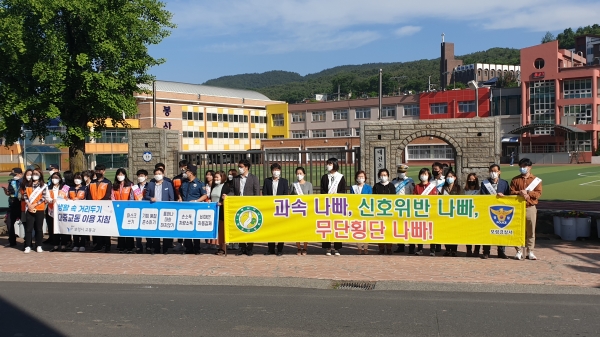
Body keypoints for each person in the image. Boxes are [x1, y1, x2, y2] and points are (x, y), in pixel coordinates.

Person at [510, 158, 542, 261]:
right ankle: (518, 250)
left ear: (530, 167)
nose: (523, 168)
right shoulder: (515, 180)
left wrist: (528, 192)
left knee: (531, 231)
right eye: (521, 166)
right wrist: (519, 192)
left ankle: (530, 251)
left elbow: (538, 193)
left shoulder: (536, 180)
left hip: (530, 207)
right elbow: (511, 192)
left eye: (525, 166)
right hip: (518, 208)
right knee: (518, 230)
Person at [229, 159, 260, 256]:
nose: (239, 168)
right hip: (239, 205)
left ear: (246, 167)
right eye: (239, 166)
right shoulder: (236, 179)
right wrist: (228, 196)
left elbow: (256, 192)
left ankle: (250, 247)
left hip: (250, 206)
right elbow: (232, 191)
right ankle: (242, 247)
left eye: (241, 167)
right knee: (240, 226)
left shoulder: (253, 178)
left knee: (249, 226)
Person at [480, 164, 510, 259]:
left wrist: (503, 197)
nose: (493, 173)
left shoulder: (504, 183)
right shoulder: (484, 183)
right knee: (487, 231)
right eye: (492, 171)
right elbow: (482, 196)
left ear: (499, 172)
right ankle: (486, 251)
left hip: (501, 211)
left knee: (500, 230)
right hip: (488, 210)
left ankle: (501, 251)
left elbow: (509, 197)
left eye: (495, 171)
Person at [144, 167, 175, 255]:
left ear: (163, 174)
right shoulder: (150, 184)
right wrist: (151, 198)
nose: (158, 175)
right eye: (156, 174)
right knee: (155, 230)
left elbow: (171, 198)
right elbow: (146, 196)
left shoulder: (168, 184)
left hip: (165, 210)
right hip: (154, 210)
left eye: (159, 173)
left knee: (165, 229)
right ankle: (156, 248)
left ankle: (165, 248)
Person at [320, 158, 346, 256]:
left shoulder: (340, 177)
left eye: (330, 164)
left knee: (336, 225)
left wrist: (337, 195)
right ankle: (327, 247)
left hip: (337, 204)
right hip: (327, 204)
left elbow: (343, 190)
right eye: (327, 164)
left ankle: (337, 247)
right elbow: (322, 190)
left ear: (335, 164)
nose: (328, 166)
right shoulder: (324, 177)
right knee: (327, 225)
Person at [180, 164, 208, 255]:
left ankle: (197, 248)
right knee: (186, 228)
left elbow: (204, 195)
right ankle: (188, 248)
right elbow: (180, 192)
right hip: (184, 209)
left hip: (195, 209)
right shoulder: (184, 182)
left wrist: (196, 201)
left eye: (187, 171)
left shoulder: (200, 183)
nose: (185, 173)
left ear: (191, 173)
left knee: (195, 229)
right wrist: (179, 198)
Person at [262, 163, 289, 256]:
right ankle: (271, 248)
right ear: (271, 171)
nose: (276, 172)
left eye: (277, 170)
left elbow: (286, 194)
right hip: (270, 208)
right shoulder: (267, 181)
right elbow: (264, 193)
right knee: (270, 229)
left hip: (281, 208)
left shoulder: (284, 181)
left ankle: (280, 249)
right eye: (274, 170)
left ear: (280, 171)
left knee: (281, 229)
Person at [411, 168, 438, 256]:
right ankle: (420, 249)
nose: (423, 176)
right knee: (420, 230)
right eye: (422, 174)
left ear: (429, 175)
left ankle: (432, 250)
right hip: (420, 212)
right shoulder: (417, 187)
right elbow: (414, 199)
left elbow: (435, 200)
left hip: (430, 212)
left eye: (425, 174)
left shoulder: (432, 187)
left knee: (431, 231)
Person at [87, 164, 112, 253]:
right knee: (96, 227)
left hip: (104, 208)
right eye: (97, 171)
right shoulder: (92, 183)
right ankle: (98, 244)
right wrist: (92, 203)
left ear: (104, 171)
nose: (99, 172)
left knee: (105, 227)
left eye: (101, 171)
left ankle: (107, 244)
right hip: (94, 208)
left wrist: (100, 203)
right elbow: (89, 194)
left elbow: (108, 194)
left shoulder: (108, 182)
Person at [23, 169, 49, 253]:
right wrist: (29, 204)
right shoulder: (27, 185)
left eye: (37, 174)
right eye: (33, 174)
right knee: (28, 228)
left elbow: (43, 197)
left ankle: (39, 245)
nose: (34, 175)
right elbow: (25, 196)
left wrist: (35, 204)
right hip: (29, 208)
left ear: (40, 175)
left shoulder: (43, 186)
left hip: (39, 209)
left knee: (38, 228)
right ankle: (27, 246)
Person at [392, 164, 414, 253]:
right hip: (397, 207)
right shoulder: (394, 181)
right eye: (400, 172)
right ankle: (400, 246)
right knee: (399, 227)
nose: (401, 173)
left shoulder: (410, 181)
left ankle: (411, 247)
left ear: (406, 172)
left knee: (409, 227)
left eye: (403, 172)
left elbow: (413, 193)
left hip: (407, 207)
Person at [112, 169, 135, 253]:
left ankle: (130, 246)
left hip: (128, 209)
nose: (120, 176)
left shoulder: (130, 184)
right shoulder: (114, 185)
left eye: (121, 174)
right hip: (118, 209)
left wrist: (129, 205)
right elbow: (112, 196)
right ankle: (121, 246)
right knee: (120, 228)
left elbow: (132, 196)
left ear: (125, 175)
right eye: (118, 174)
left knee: (128, 228)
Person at [290, 167, 312, 255]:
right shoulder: (293, 184)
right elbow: (290, 197)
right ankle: (298, 248)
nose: (299, 175)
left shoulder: (309, 185)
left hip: (306, 211)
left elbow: (311, 198)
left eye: (300, 173)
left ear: (304, 174)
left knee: (305, 230)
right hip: (296, 210)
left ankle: (305, 247)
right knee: (297, 230)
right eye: (297, 173)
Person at [373, 168, 395, 255]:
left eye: (385, 175)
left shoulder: (391, 186)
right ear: (379, 176)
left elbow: (394, 198)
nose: (383, 177)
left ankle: (389, 248)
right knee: (380, 230)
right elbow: (373, 198)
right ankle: (381, 248)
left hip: (389, 212)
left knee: (389, 230)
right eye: (381, 175)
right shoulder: (376, 186)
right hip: (379, 212)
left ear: (388, 176)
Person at [350, 170, 372, 255]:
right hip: (356, 210)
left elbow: (370, 199)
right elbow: (351, 199)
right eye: (359, 177)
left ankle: (366, 247)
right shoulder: (353, 187)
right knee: (358, 228)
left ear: (365, 178)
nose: (360, 178)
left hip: (366, 210)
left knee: (366, 229)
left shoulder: (368, 188)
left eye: (362, 177)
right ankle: (359, 247)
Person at [47, 172, 69, 252]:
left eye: (56, 177)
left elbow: (67, 197)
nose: (54, 179)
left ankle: (64, 245)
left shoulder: (65, 187)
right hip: (52, 210)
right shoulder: (48, 187)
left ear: (60, 178)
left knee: (62, 228)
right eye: (53, 178)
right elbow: (47, 198)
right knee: (54, 228)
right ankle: (55, 245)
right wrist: (51, 200)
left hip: (62, 211)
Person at [441, 171, 461, 257]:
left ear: (455, 177)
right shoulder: (443, 188)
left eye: (451, 176)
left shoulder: (458, 188)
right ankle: (447, 249)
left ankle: (454, 250)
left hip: (455, 213)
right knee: (446, 232)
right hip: (445, 212)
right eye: (448, 177)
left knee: (454, 232)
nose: (450, 178)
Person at [171, 160, 188, 253]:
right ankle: (179, 242)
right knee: (179, 223)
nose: (183, 168)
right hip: (178, 204)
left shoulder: (190, 178)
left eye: (184, 166)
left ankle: (188, 243)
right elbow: (173, 191)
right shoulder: (176, 178)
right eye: (181, 166)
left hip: (188, 204)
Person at [3, 168, 23, 248]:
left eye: (15, 175)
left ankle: (28, 242)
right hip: (12, 204)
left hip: (21, 205)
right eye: (13, 175)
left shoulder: (25, 182)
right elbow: (9, 193)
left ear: (20, 174)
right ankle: (12, 241)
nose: (14, 176)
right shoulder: (11, 181)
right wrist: (6, 192)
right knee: (9, 223)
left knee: (25, 223)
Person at [69, 172, 87, 252]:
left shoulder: (85, 188)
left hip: (82, 211)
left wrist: (80, 200)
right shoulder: (70, 188)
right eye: (75, 178)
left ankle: (82, 244)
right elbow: (64, 197)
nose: (77, 180)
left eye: (79, 178)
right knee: (74, 228)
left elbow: (88, 198)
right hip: (72, 211)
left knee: (82, 228)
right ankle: (76, 244)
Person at [464, 173, 481, 257]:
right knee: (468, 233)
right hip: (467, 215)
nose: (471, 181)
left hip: (477, 215)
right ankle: (469, 250)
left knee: (477, 233)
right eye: (470, 179)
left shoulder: (480, 190)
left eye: (473, 179)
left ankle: (477, 250)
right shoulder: (465, 191)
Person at [210, 171, 226, 256]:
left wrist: (222, 202)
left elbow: (227, 197)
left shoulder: (225, 186)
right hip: (215, 210)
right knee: (218, 230)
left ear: (222, 177)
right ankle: (219, 246)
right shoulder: (214, 186)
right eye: (215, 177)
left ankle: (223, 248)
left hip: (222, 211)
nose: (216, 179)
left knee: (222, 230)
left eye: (217, 177)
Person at [135, 169, 149, 253]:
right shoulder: (135, 187)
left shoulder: (150, 186)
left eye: (142, 176)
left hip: (147, 209)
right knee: (137, 229)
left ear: (146, 177)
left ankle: (148, 245)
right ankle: (138, 246)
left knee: (147, 228)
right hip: (137, 209)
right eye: (139, 176)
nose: (140, 177)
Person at [225, 168, 239, 251]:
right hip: (228, 205)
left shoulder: (236, 183)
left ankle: (236, 242)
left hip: (235, 204)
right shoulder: (226, 184)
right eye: (228, 174)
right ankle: (230, 242)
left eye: (231, 174)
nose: (229, 176)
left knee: (235, 224)